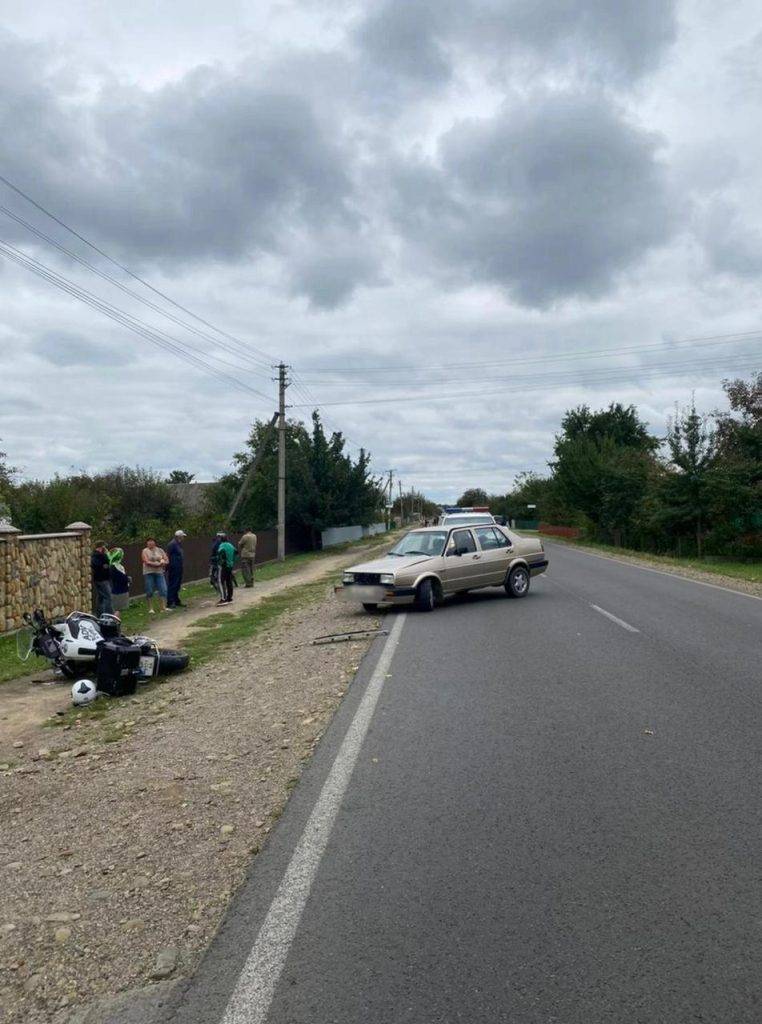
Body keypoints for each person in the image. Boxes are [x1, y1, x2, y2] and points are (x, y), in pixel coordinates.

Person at [141, 537, 169, 614]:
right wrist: (157, 564)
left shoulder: (160, 550)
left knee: (163, 589)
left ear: (154, 542)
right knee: (149, 590)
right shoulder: (145, 551)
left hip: (159, 572)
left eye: (151, 541)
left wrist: (163, 562)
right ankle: (151, 608)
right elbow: (146, 561)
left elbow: (167, 560)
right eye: (148, 542)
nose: (150, 543)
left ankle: (163, 607)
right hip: (148, 572)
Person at [108, 547, 131, 618]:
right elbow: (121, 578)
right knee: (117, 609)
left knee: (118, 609)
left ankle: (116, 622)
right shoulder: (115, 567)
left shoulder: (115, 566)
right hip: (119, 590)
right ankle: (115, 623)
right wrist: (128, 579)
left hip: (120, 589)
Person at [166, 529, 187, 608]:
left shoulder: (178, 544)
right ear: (179, 536)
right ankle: (170, 602)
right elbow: (168, 555)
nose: (183, 538)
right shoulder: (172, 544)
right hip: (174, 567)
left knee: (177, 585)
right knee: (173, 584)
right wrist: (168, 566)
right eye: (182, 536)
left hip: (178, 566)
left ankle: (176, 600)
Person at [91, 542, 113, 615]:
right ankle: (109, 615)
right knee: (108, 597)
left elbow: (107, 564)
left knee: (101, 597)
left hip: (103, 579)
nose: (106, 549)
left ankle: (99, 614)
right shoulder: (97, 555)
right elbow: (103, 564)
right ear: (101, 547)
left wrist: (105, 565)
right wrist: (106, 555)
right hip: (101, 579)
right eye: (104, 547)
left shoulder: (100, 555)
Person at [216, 533, 236, 605]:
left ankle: (223, 599)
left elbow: (220, 553)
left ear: (221, 539)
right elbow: (236, 552)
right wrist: (232, 560)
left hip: (224, 566)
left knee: (221, 582)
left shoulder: (222, 545)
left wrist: (220, 561)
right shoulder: (231, 545)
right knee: (229, 582)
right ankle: (229, 597)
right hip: (230, 565)